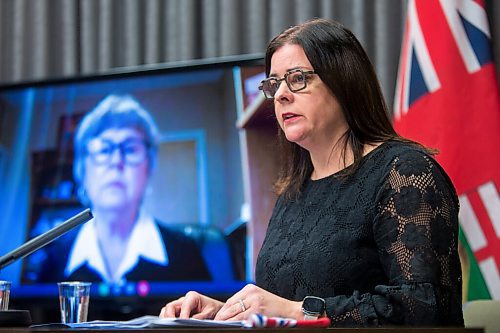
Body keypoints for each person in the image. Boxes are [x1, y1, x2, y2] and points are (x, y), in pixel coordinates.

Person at [159, 18, 463, 327]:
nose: (280, 95)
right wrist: (224, 312)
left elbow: (423, 308)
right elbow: (281, 301)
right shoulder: (295, 191)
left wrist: (297, 312)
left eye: (297, 79)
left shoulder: (405, 172)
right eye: (274, 84)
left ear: (344, 82)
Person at [33, 94, 211, 284]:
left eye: (130, 149)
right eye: (103, 150)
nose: (117, 161)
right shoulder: (54, 259)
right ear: (82, 171)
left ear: (148, 169)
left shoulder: (187, 254)